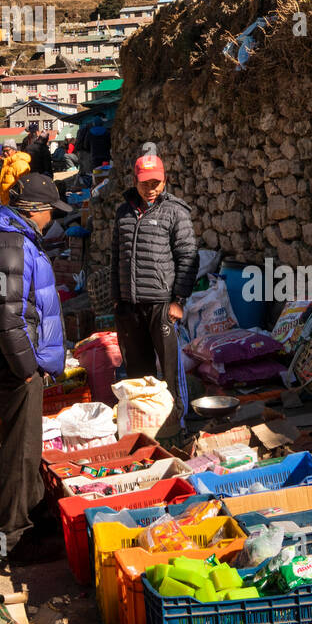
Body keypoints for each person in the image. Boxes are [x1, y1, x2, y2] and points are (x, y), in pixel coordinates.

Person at [0, 173, 67, 568]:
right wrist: (27, 368)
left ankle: (35, 521)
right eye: (50, 212)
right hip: (13, 363)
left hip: (8, 360)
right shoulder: (9, 242)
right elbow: (7, 316)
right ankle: (11, 543)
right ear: (35, 210)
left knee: (22, 445)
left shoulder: (2, 236)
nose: (51, 219)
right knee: (20, 451)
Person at [110, 153, 198, 428]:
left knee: (170, 373)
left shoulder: (175, 212)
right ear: (135, 181)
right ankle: (145, 427)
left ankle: (177, 424)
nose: (152, 188)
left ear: (165, 180)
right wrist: (117, 299)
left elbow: (188, 257)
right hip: (129, 307)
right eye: (146, 183)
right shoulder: (123, 214)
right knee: (138, 375)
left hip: (162, 306)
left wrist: (178, 300)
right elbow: (116, 258)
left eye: (157, 182)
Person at [0, 140, 32, 206]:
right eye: (4, 151)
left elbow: (24, 186)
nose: (5, 153)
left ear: (14, 150)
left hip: (15, 204)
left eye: (7, 150)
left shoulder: (20, 164)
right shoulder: (7, 164)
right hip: (7, 203)